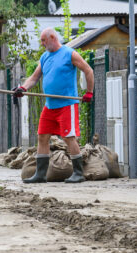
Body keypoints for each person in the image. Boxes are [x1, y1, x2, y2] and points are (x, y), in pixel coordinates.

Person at [13, 28, 94, 184]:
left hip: (67, 105)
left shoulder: (69, 54)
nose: (42, 44)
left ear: (52, 38)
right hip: (50, 106)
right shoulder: (45, 57)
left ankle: (78, 173)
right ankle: (40, 174)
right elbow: (34, 78)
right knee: (42, 136)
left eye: (43, 40)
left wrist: (89, 92)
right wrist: (23, 88)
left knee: (69, 137)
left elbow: (88, 70)